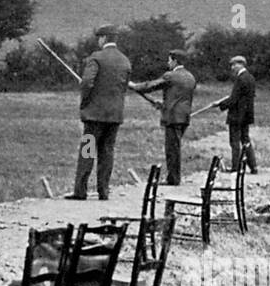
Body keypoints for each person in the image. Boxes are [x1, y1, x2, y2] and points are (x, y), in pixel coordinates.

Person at [65, 26, 131, 201]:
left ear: (103, 39)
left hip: (94, 116)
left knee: (87, 151)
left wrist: (85, 102)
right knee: (107, 152)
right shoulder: (125, 61)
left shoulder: (96, 58)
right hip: (115, 115)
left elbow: (87, 83)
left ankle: (80, 191)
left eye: (99, 38)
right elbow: (123, 88)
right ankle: (104, 191)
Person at [132, 49, 196, 186]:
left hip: (172, 118)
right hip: (184, 117)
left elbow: (150, 86)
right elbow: (179, 96)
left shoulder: (170, 76)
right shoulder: (191, 77)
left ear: (175, 61)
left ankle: (173, 179)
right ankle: (174, 177)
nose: (168, 63)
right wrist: (163, 104)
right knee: (175, 147)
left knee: (172, 150)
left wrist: (134, 86)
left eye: (169, 60)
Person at [218, 55, 257, 174]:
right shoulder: (250, 77)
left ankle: (236, 167)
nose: (232, 67)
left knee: (234, 142)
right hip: (246, 115)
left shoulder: (240, 79)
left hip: (237, 115)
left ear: (241, 64)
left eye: (234, 65)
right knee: (246, 140)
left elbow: (234, 99)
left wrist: (220, 104)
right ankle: (253, 167)